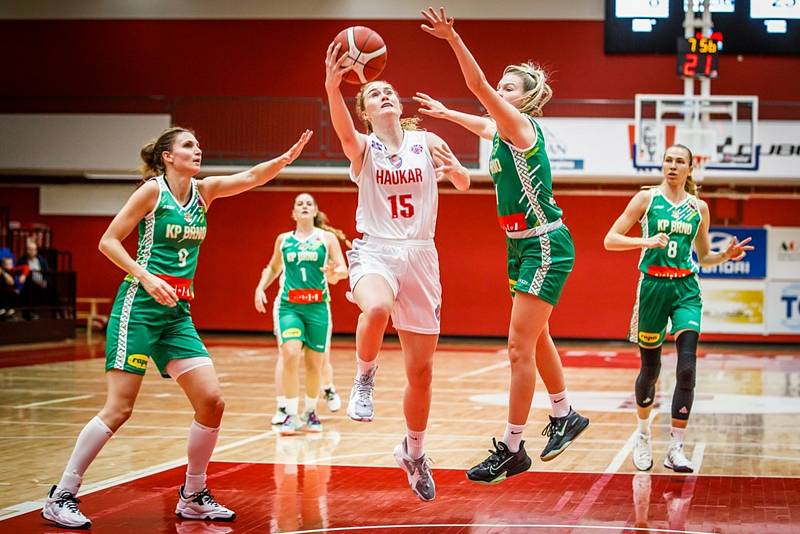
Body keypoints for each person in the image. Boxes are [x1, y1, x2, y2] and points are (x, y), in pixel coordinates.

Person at [41, 125, 312, 529]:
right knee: (120, 409)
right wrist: (147, 277)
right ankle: (61, 494)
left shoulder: (204, 192)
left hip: (177, 314)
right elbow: (109, 241)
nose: (197, 150)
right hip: (140, 307)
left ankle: (193, 495)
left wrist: (285, 160)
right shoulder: (152, 192)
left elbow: (251, 178)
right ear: (168, 156)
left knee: (212, 401)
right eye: (188, 145)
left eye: (199, 144)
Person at [420, 6, 590, 484]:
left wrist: (453, 40)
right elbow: (478, 122)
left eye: (508, 87)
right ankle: (565, 415)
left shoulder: (521, 128)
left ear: (527, 100)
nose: (498, 91)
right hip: (519, 246)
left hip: (544, 244)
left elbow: (480, 94)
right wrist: (442, 113)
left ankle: (513, 448)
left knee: (518, 347)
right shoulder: (499, 132)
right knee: (537, 340)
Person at [324, 40, 470, 501]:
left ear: (399, 105)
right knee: (377, 308)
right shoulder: (363, 147)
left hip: (422, 254)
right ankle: (364, 377)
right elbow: (344, 135)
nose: (384, 95)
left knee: (421, 373)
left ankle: (413, 451)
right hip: (376, 251)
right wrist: (332, 85)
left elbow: (465, 181)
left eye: (389, 91)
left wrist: (456, 171)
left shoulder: (426, 142)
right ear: (366, 110)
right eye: (374, 93)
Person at [604, 143, 753, 473]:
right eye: (668, 160)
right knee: (651, 369)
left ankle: (676, 446)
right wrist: (644, 242)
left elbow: (705, 256)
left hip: (686, 287)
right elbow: (610, 239)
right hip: (653, 287)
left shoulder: (699, 207)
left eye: (679, 161)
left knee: (687, 366)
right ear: (663, 165)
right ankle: (643, 435)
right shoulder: (646, 199)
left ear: (689, 168)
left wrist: (725, 256)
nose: (672, 165)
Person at [254, 193, 348, 435]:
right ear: (293, 213)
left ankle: (311, 411)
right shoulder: (284, 240)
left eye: (309, 203)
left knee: (315, 363)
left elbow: (342, 269)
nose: (304, 206)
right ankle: (290, 414)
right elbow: (274, 266)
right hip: (289, 307)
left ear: (315, 211)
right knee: (290, 353)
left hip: (317, 307)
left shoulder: (326, 239)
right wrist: (260, 287)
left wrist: (333, 274)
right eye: (299, 204)